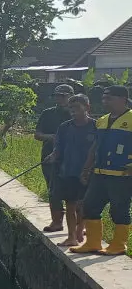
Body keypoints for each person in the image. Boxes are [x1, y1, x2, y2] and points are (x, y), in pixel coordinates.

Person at [71, 86, 132, 255]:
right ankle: (93, 242)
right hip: (99, 173)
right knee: (90, 205)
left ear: (123, 100)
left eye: (109, 98)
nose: (105, 102)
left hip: (122, 175)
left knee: (119, 209)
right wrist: (86, 168)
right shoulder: (102, 120)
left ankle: (119, 244)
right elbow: (95, 146)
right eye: (104, 98)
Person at [49, 94, 96, 247]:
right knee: (70, 204)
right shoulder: (64, 127)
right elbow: (58, 147)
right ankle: (71, 236)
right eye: (71, 108)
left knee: (83, 205)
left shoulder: (96, 127)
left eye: (77, 107)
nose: (73, 111)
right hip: (68, 171)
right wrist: (54, 155)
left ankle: (80, 229)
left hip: (88, 173)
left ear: (87, 107)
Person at [34, 84, 75, 232]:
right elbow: (37, 134)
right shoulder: (47, 113)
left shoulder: (76, 115)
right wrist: (50, 137)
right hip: (49, 156)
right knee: (53, 190)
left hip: (72, 159)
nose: (60, 99)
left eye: (63, 96)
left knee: (74, 191)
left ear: (71, 96)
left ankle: (77, 224)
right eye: (57, 96)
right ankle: (57, 222)